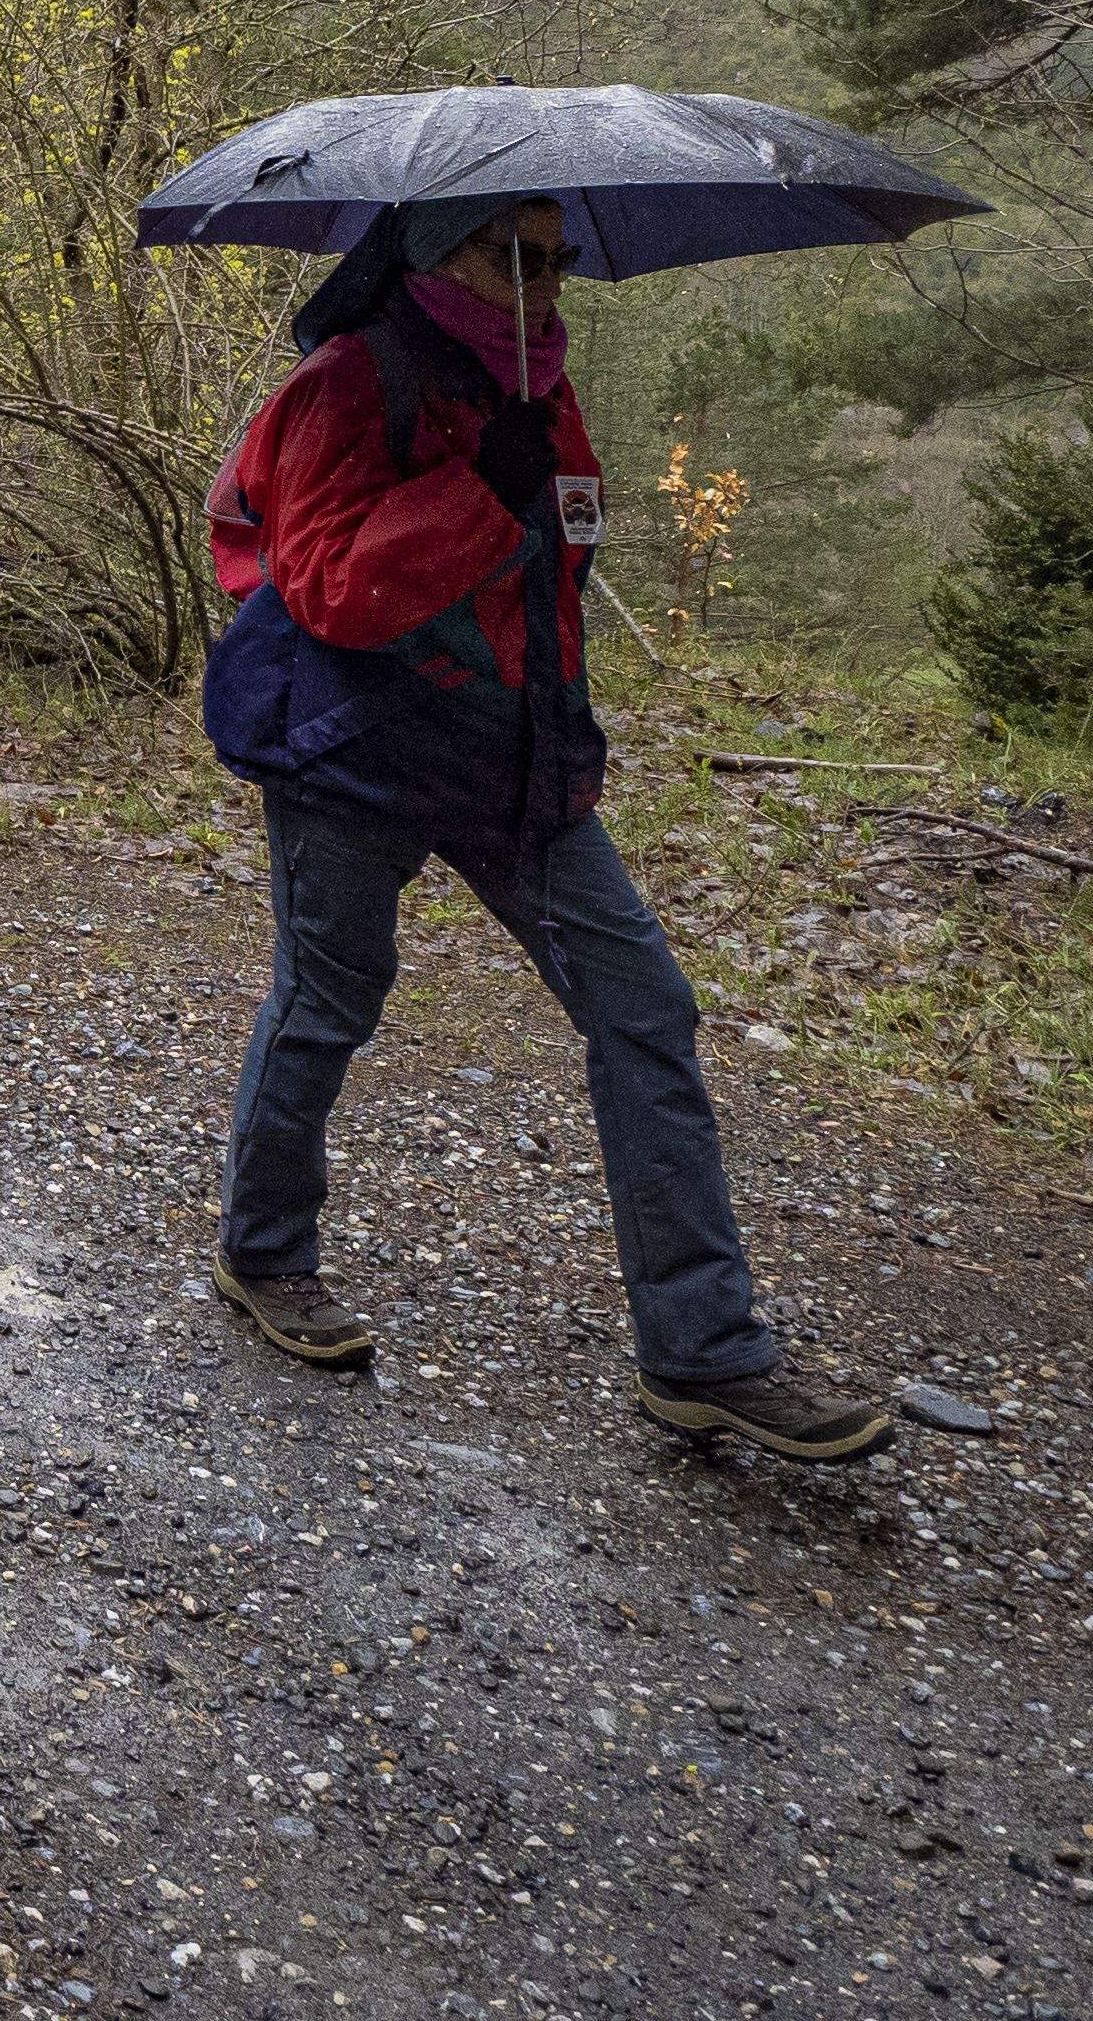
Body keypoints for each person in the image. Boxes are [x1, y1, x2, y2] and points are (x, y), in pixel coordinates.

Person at [201, 193, 886, 1462]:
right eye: (517, 255)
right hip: (351, 754)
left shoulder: (538, 385)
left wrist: (566, 731)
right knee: (328, 1001)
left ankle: (704, 1354)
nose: (546, 282)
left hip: (514, 763)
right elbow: (335, 589)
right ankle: (265, 1256)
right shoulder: (350, 383)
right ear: (433, 248)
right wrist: (476, 490)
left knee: (643, 1006)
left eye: (559, 257)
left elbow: (552, 575)